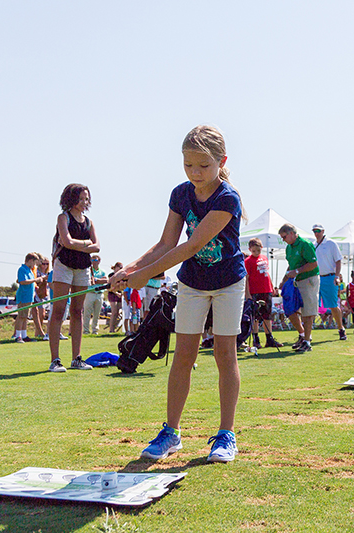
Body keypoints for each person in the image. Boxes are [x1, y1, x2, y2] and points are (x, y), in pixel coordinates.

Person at [110, 125, 246, 463]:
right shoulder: (180, 194)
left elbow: (194, 243)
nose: (195, 173)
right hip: (192, 283)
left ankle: (225, 435)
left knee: (224, 355)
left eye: (203, 165)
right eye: (188, 165)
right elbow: (165, 243)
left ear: (221, 161)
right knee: (183, 355)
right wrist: (128, 270)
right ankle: (171, 432)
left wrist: (144, 276)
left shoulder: (228, 198)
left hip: (228, 281)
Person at [48, 183, 99, 372]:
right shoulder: (63, 217)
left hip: (83, 267)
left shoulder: (89, 221)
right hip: (64, 266)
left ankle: (76, 358)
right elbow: (65, 242)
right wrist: (86, 244)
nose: (84, 202)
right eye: (81, 198)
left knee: (77, 311)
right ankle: (55, 360)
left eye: (87, 198)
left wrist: (79, 244)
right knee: (59, 310)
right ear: (71, 198)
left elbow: (97, 246)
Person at [279, 223, 319, 353]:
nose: (283, 240)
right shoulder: (289, 248)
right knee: (291, 309)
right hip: (296, 281)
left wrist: (297, 271)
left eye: (284, 237)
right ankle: (303, 336)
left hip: (308, 280)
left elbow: (313, 264)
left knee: (308, 312)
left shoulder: (305, 244)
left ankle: (307, 341)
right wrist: (284, 280)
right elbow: (291, 265)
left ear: (291, 233)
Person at [244, 238, 282, 348]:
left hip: (266, 290)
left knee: (267, 315)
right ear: (250, 249)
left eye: (258, 250)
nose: (256, 253)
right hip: (255, 291)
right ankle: (256, 339)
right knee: (255, 316)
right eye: (254, 251)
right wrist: (248, 294)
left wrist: (272, 286)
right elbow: (247, 278)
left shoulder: (264, 258)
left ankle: (269, 339)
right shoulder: (248, 261)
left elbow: (267, 274)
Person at [311, 224, 346, 341]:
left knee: (333, 305)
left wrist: (337, 276)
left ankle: (341, 328)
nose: (316, 233)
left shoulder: (331, 243)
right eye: (314, 231)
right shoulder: (313, 245)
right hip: (316, 277)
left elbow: (338, 260)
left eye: (318, 231)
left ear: (323, 231)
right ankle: (306, 334)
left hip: (329, 277)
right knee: (311, 305)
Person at [13, 253, 44, 343]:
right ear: (30, 260)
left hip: (29, 297)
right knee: (21, 316)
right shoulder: (22, 269)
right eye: (34, 262)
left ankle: (24, 335)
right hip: (23, 296)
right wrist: (35, 280)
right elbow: (22, 281)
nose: (35, 265)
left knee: (25, 317)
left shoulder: (30, 270)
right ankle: (18, 336)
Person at [83, 255, 108, 334]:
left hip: (99, 293)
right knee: (87, 313)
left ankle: (95, 330)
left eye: (95, 260)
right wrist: (99, 280)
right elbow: (89, 281)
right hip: (90, 293)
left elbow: (105, 280)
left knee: (97, 313)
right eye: (92, 260)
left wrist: (97, 280)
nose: (94, 261)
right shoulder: (88, 270)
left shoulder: (102, 271)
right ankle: (86, 330)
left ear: (99, 261)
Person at [33, 255, 49, 339]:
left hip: (45, 295)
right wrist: (43, 279)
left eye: (47, 264)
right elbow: (36, 280)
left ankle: (38, 333)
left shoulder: (47, 273)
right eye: (43, 264)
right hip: (37, 294)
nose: (45, 265)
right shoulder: (37, 272)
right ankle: (39, 332)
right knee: (40, 313)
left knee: (42, 314)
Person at [107, 262, 123, 333]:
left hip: (119, 294)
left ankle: (114, 328)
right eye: (120, 267)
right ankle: (111, 329)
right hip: (113, 294)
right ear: (116, 267)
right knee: (114, 312)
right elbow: (109, 288)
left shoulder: (121, 276)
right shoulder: (111, 275)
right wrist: (116, 293)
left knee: (118, 312)